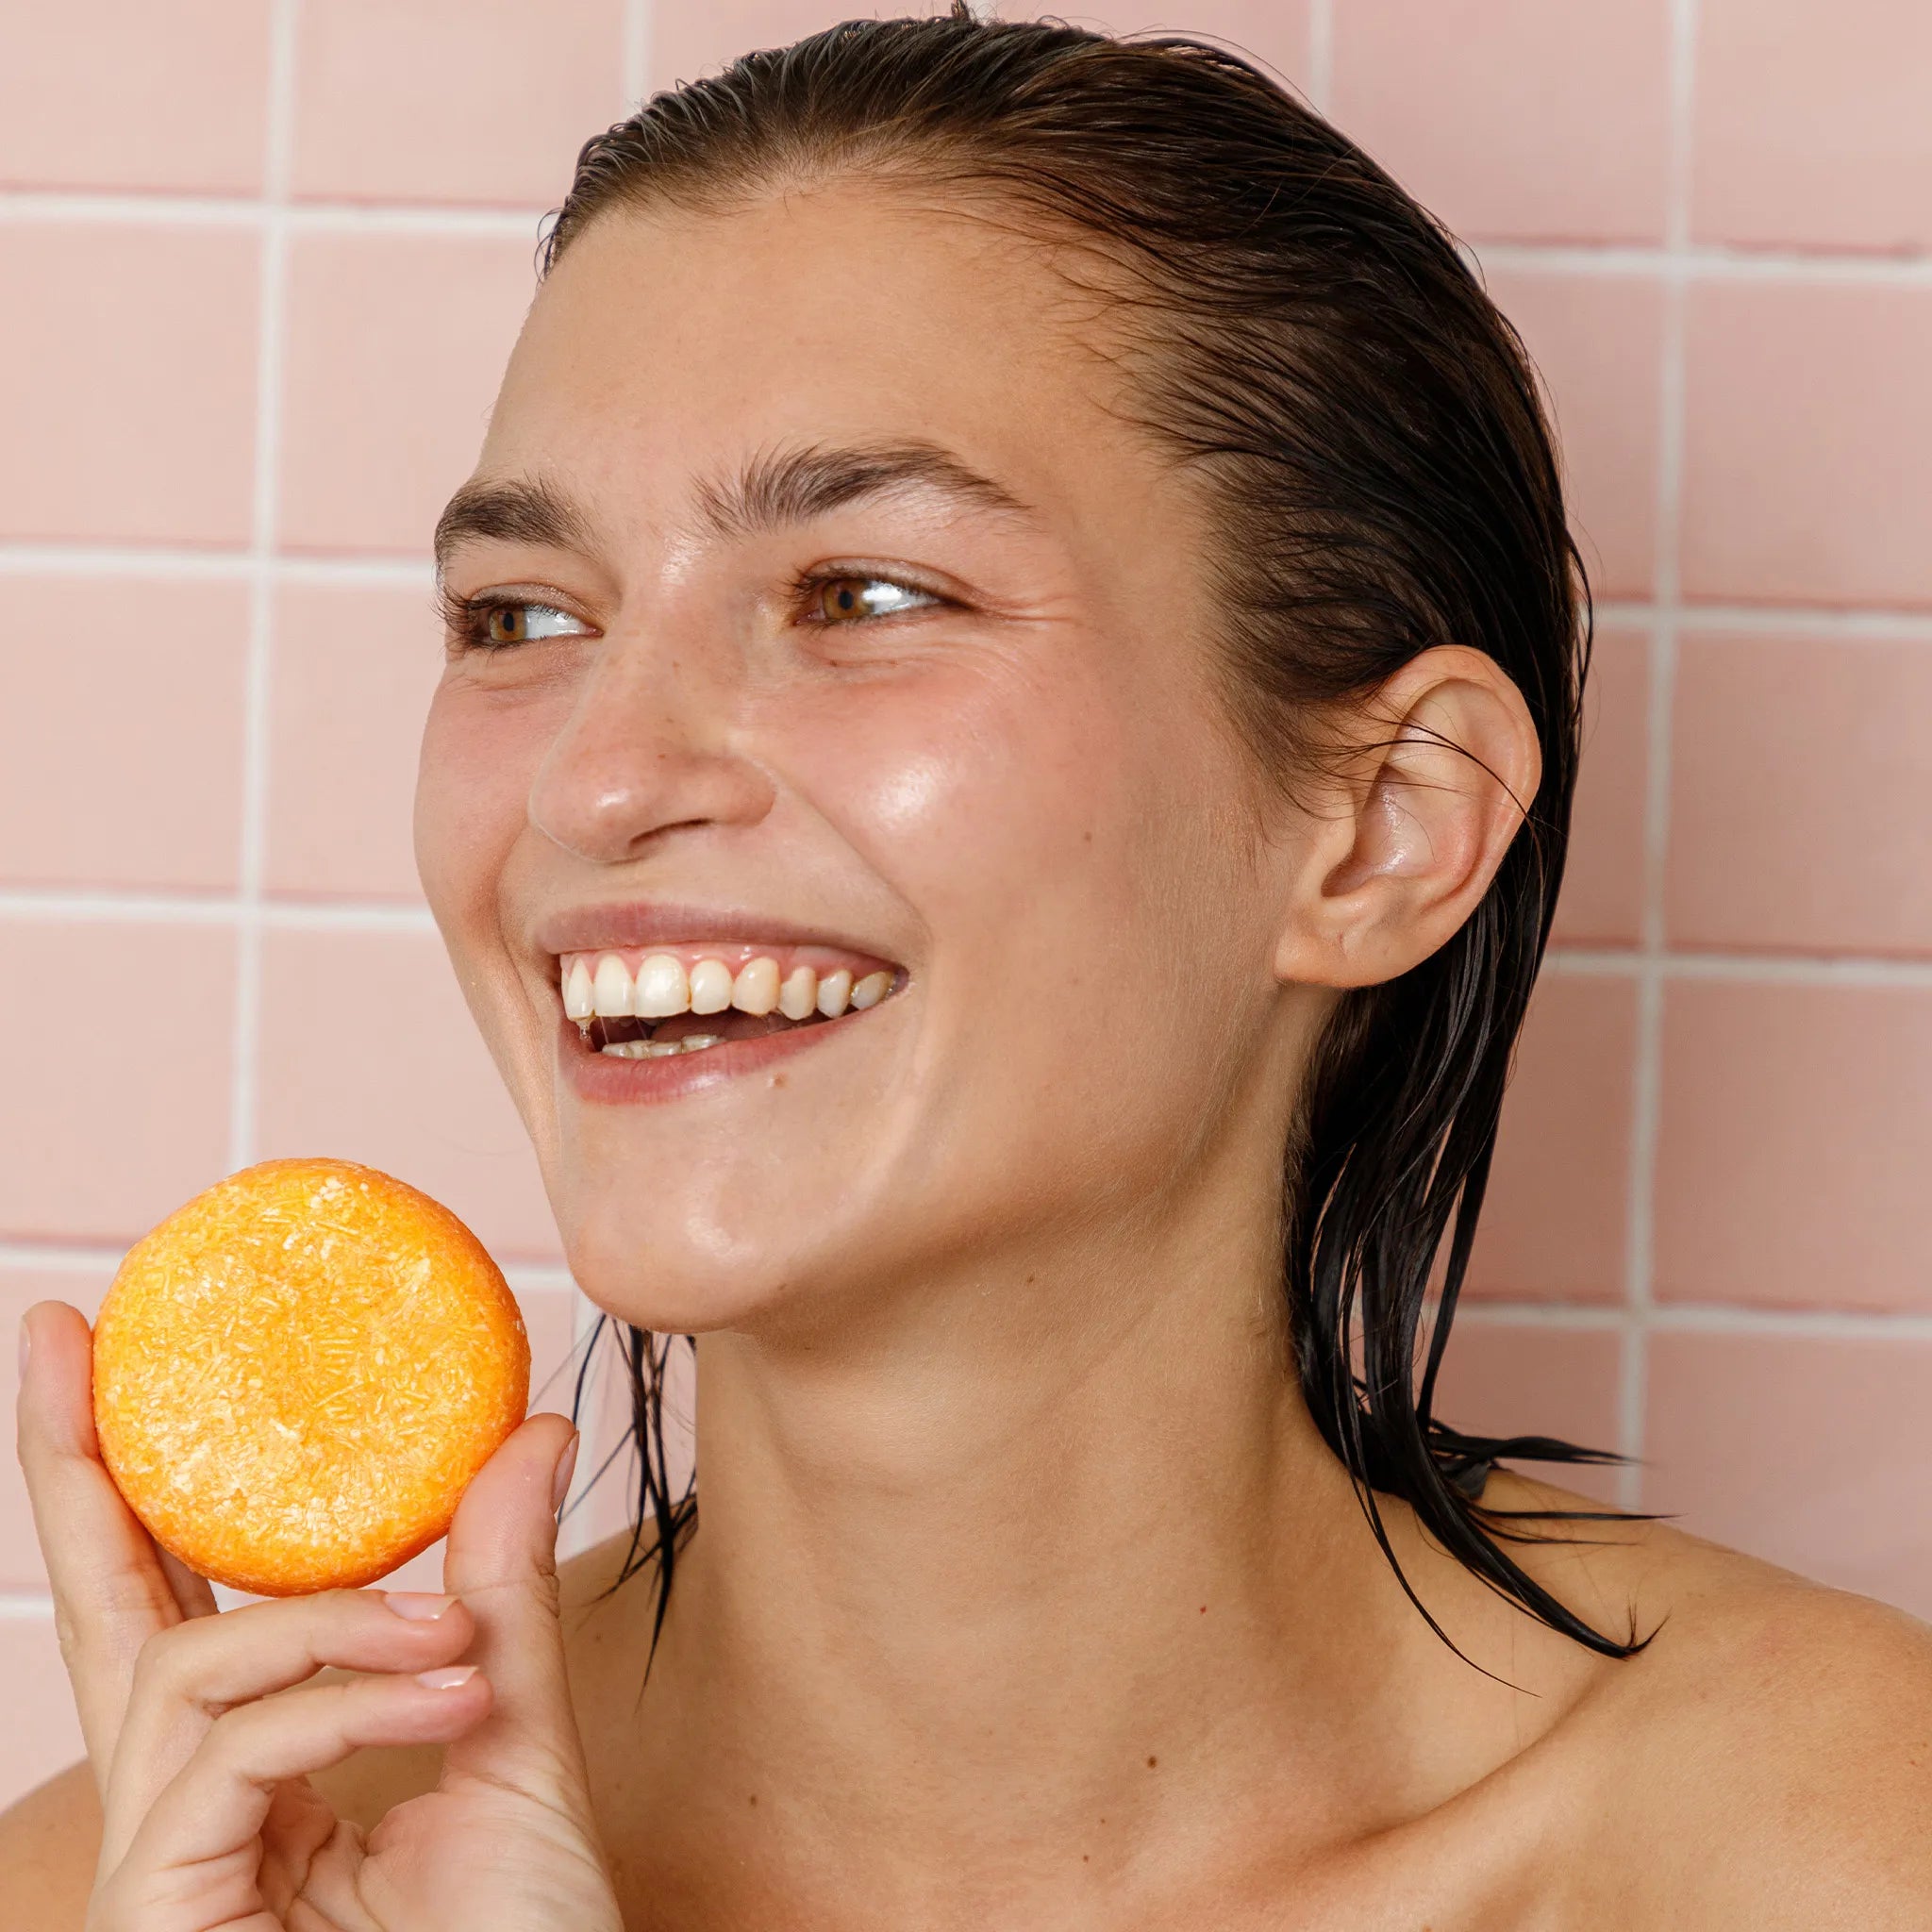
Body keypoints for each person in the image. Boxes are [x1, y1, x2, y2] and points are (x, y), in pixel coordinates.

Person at [8, 8, 1930, 1926]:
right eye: (522, 614)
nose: (595, 777)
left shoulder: (1842, 1847)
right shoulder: (160, 1892)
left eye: (863, 595)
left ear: (1382, 826)